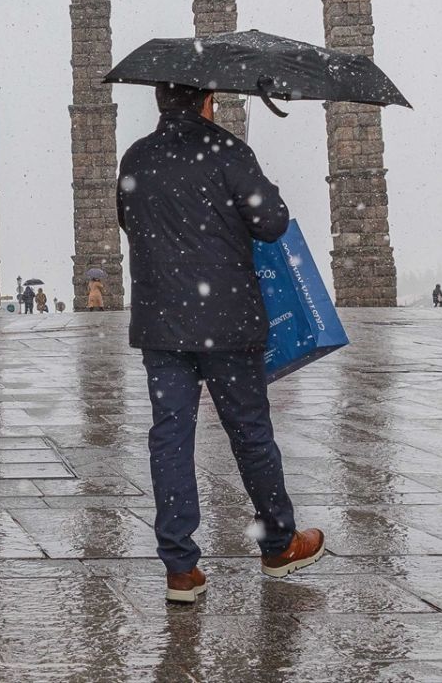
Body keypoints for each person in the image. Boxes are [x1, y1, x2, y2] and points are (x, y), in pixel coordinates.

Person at [117, 83, 325, 605]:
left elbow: (129, 220)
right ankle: (278, 544)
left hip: (162, 322)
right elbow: (272, 223)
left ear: (162, 101)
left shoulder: (137, 156)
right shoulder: (228, 150)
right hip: (228, 320)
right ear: (207, 101)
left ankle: (180, 568)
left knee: (170, 436)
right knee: (250, 431)